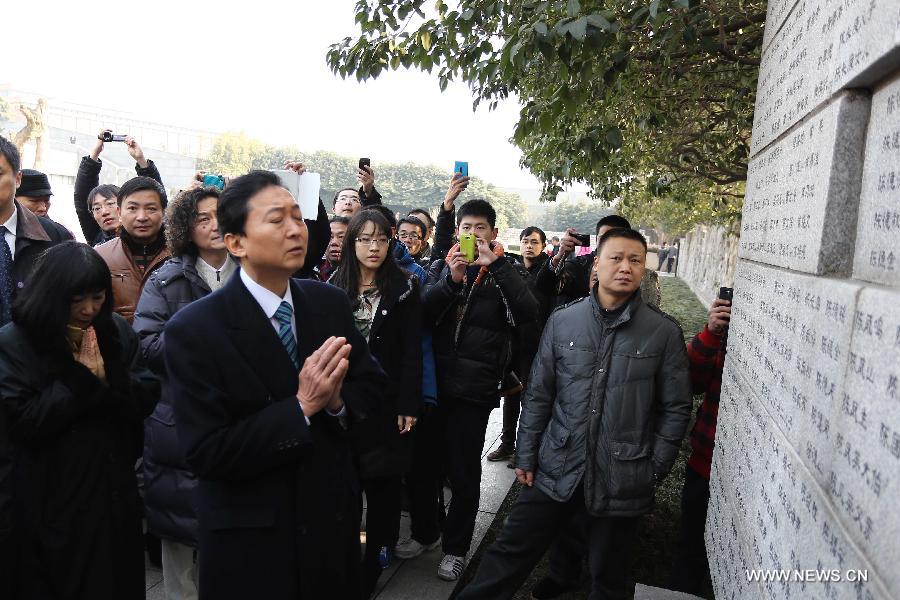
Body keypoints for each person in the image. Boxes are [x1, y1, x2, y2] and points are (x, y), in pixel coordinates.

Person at [163, 170, 386, 600]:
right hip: (251, 544)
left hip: (329, 529)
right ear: (236, 243)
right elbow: (206, 452)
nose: (295, 230)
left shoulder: (327, 303)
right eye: (276, 219)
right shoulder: (194, 330)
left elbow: (372, 388)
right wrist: (300, 408)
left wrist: (338, 402)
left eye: (298, 218)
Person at [457, 228, 691, 600]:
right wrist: (528, 452)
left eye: (635, 260)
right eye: (616, 258)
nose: (626, 267)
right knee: (507, 556)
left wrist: (652, 469)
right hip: (555, 465)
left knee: (609, 577)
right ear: (596, 264)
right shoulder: (565, 320)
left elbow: (676, 408)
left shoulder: (662, 333)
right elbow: (539, 393)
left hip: (621, 476)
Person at [0, 241, 160, 599]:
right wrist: (81, 381)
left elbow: (147, 391)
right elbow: (24, 421)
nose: (89, 310)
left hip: (112, 489)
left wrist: (111, 383)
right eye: (77, 300)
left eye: (98, 297)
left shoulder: (113, 331)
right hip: (47, 499)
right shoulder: (16, 341)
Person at [398, 195, 538, 581]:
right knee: (423, 469)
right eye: (466, 227)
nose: (472, 234)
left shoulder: (507, 272)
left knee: (462, 474)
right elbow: (422, 312)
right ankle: (426, 533)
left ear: (493, 233)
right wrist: (451, 280)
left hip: (474, 392)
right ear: (457, 232)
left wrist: (499, 267)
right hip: (433, 388)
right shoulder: (443, 267)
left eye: (480, 228)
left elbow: (528, 314)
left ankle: (455, 548)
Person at [133, 186, 237, 600]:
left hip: (238, 418)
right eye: (201, 218)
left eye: (219, 215)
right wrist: (209, 347)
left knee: (232, 521)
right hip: (177, 416)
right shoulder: (166, 277)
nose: (213, 225)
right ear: (184, 227)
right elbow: (147, 344)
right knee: (177, 529)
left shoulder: (254, 274)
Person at [329, 210, 423, 598]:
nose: (373, 247)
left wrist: (409, 403)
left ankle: (376, 561)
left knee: (383, 489)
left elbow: (411, 352)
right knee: (344, 487)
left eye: (381, 240)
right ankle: (343, 559)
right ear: (351, 243)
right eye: (365, 239)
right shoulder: (335, 286)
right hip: (343, 403)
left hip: (386, 403)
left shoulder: (405, 287)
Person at [669, 296, 730, 594]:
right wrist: (711, 331)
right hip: (706, 460)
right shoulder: (726, 331)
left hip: (747, 471)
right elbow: (691, 382)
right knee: (691, 541)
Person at [487, 225, 554, 464]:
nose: (529, 246)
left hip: (538, 346)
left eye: (535, 242)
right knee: (511, 395)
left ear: (543, 246)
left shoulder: (548, 272)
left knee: (530, 399)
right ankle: (507, 444)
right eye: (526, 241)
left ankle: (526, 450)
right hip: (513, 342)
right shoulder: (512, 268)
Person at [94, 176, 171, 322]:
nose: (142, 217)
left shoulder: (181, 255)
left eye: (151, 208)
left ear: (164, 212)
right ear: (119, 212)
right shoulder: (100, 256)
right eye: (132, 208)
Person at [74, 130, 163, 246]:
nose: (104, 212)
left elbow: (155, 195)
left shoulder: (145, 236)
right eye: (97, 208)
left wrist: (141, 160)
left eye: (110, 204)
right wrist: (94, 154)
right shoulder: (97, 240)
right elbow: (82, 198)